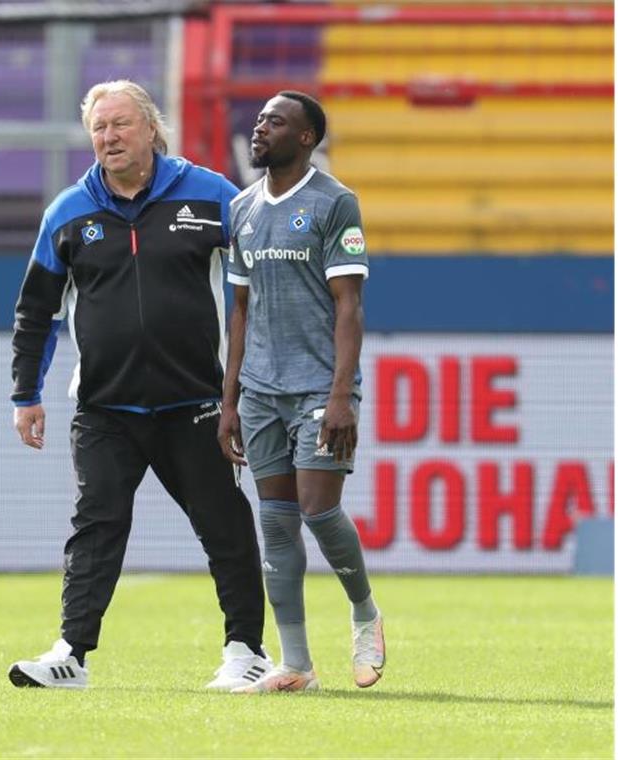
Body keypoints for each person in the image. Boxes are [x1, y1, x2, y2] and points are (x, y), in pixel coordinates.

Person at [7, 80, 269, 690]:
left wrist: (254, 383)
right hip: (104, 411)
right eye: (99, 128)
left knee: (226, 527)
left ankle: (245, 652)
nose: (109, 137)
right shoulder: (67, 212)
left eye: (121, 124)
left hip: (196, 407)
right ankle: (71, 654)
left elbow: (264, 276)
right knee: (96, 528)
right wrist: (26, 394)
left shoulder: (212, 196)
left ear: (151, 128)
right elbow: (36, 312)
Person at [218, 91, 385, 694]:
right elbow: (238, 310)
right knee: (277, 525)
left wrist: (342, 395)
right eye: (259, 118)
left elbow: (350, 305)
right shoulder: (240, 208)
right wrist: (230, 398)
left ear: (307, 137)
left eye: (276, 121)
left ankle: (365, 613)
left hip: (319, 385)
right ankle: (296, 664)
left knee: (317, 508)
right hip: (259, 390)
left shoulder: (334, 202)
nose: (260, 128)